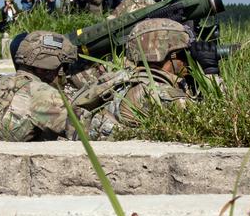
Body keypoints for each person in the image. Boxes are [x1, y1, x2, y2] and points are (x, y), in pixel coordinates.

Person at [69, 18, 203, 140]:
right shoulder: (158, 94)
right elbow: (208, 124)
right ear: (171, 56)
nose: (188, 60)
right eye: (184, 54)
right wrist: (210, 74)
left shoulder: (120, 80)